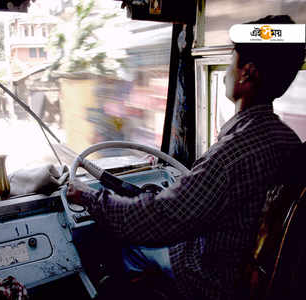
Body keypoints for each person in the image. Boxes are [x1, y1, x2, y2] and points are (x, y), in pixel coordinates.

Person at [67, 15, 305, 300]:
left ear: (247, 73)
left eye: (232, 60)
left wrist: (91, 198)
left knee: (130, 246)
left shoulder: (233, 153)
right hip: (246, 271)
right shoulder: (288, 139)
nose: (228, 71)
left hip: (213, 277)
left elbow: (160, 218)